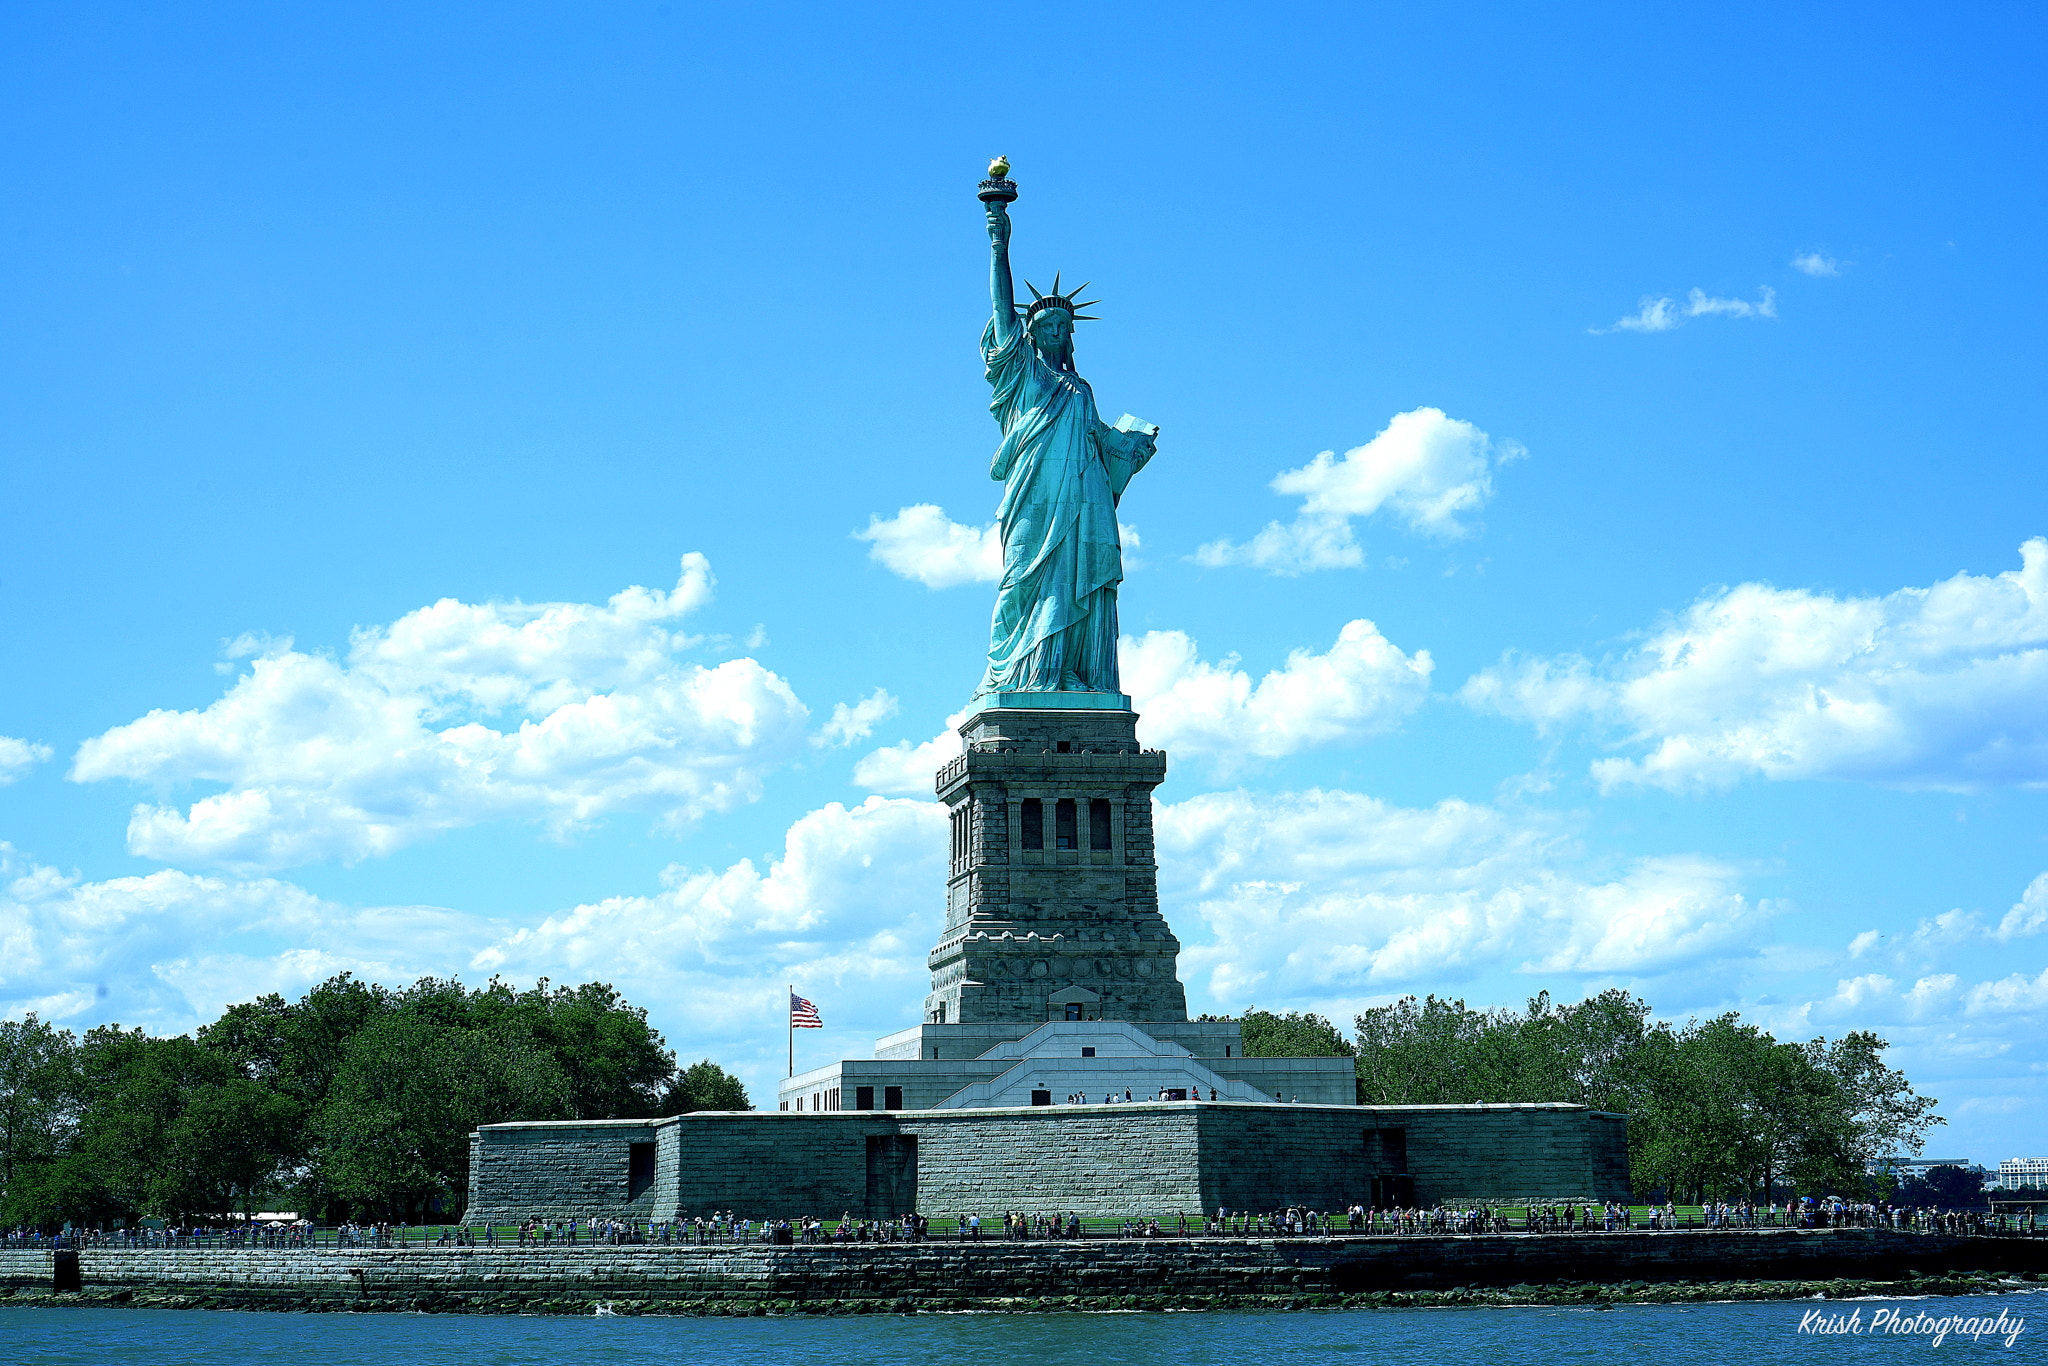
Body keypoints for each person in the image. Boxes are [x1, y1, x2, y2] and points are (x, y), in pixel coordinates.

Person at [973, 193, 1156, 698]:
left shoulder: (1081, 389)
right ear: (1031, 333)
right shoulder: (1024, 374)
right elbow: (1000, 308)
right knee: (1022, 581)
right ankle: (1022, 674)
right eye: (1045, 326)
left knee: (1081, 579)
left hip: (1084, 499)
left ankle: (1069, 673)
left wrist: (1134, 446)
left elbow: (1101, 440)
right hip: (1034, 493)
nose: (1054, 332)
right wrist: (998, 239)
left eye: (1062, 327)